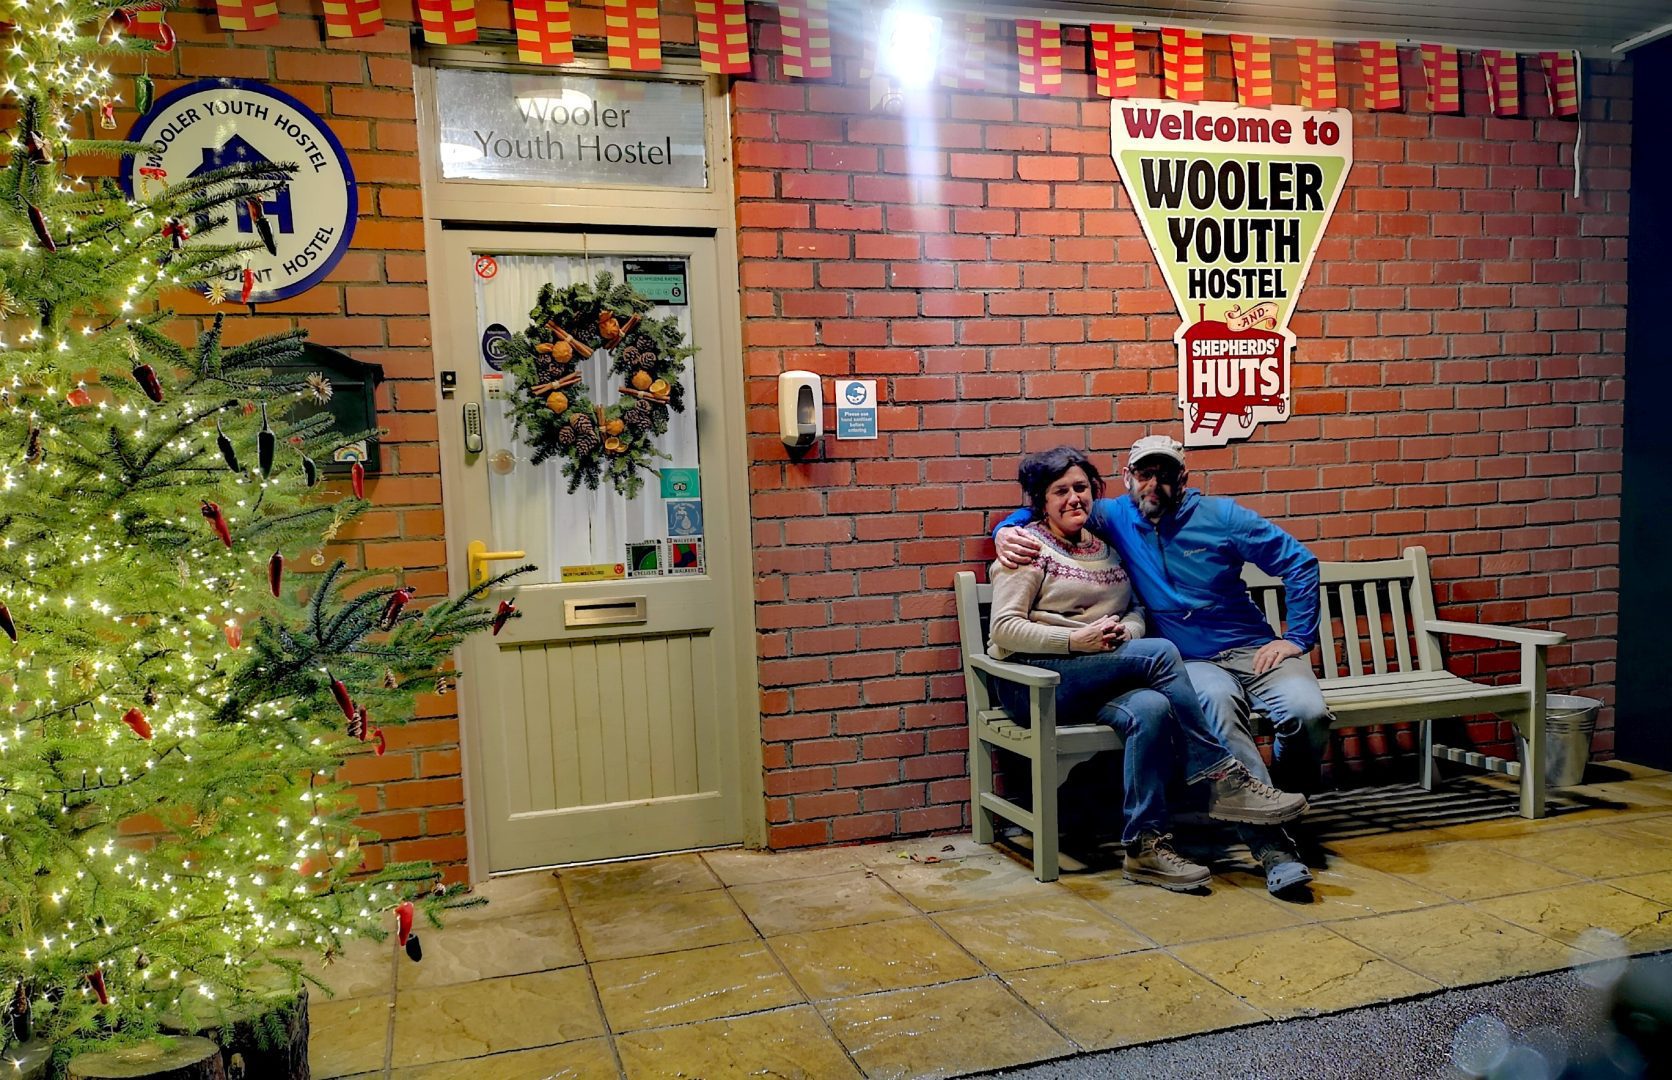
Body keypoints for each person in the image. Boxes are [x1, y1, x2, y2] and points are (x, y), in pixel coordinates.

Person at [993, 435, 1330, 895]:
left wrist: (1296, 639)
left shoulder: (1218, 518)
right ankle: (1272, 846)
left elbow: (1300, 563)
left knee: (1306, 715)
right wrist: (1003, 531)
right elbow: (1038, 513)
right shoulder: (1105, 519)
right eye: (1145, 474)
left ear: (1183, 479)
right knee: (1217, 712)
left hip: (1253, 648)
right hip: (1183, 661)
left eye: (1165, 475)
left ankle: (1282, 810)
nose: (1154, 484)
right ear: (1129, 478)